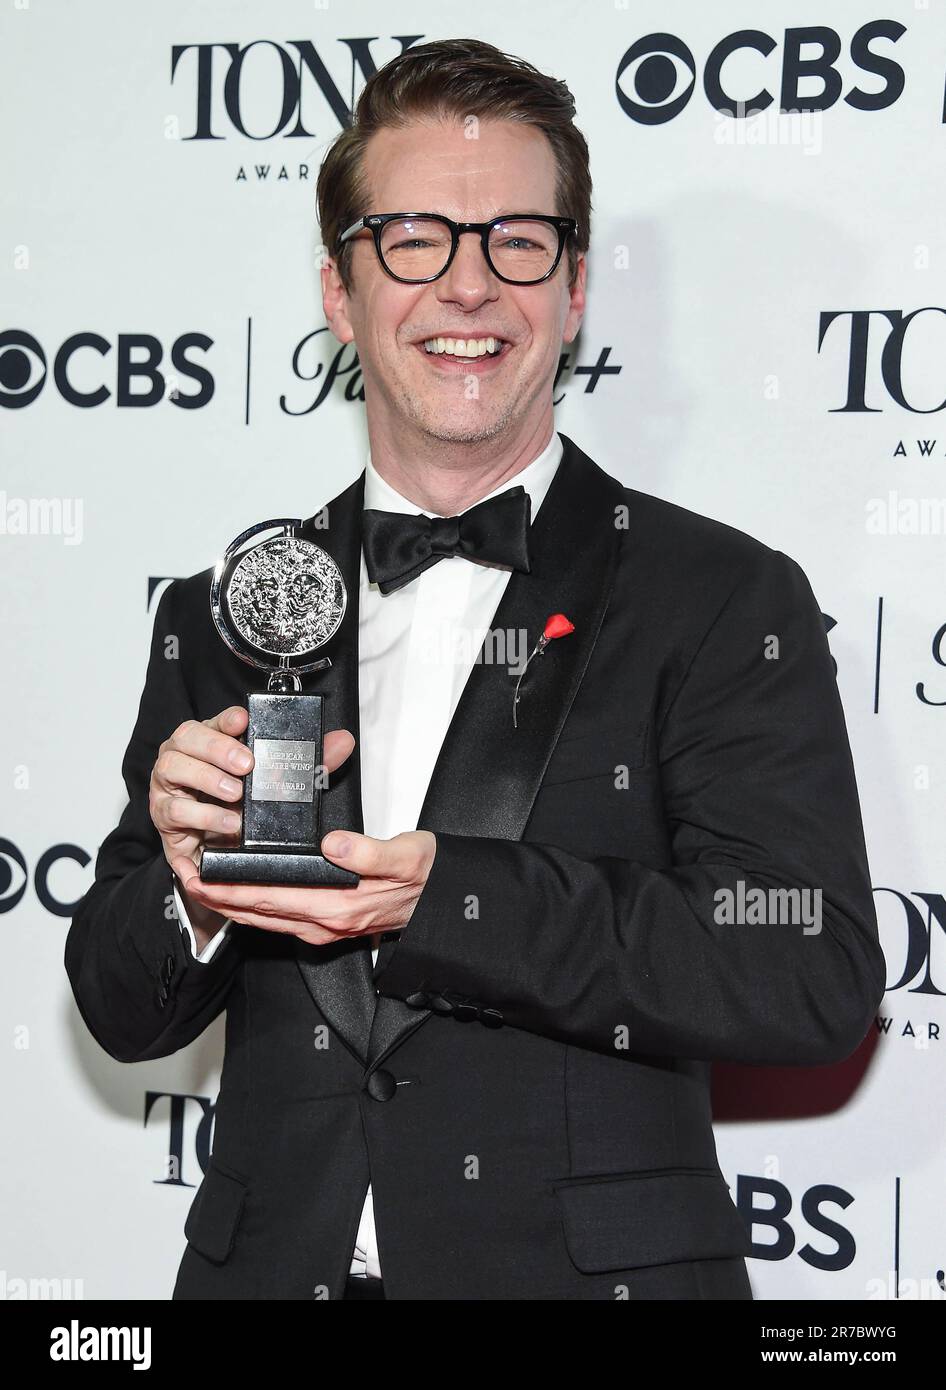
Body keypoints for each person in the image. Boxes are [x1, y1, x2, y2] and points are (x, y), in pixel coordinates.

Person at [65, 38, 886, 1301]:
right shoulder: (232, 607)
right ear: (339, 292)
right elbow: (121, 1008)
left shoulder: (721, 598)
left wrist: (445, 900)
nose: (466, 287)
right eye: (411, 239)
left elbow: (807, 968)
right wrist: (195, 890)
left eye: (514, 239)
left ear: (570, 289)